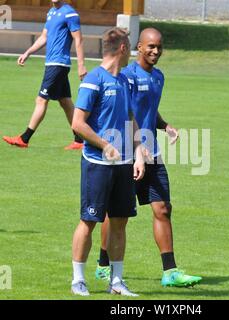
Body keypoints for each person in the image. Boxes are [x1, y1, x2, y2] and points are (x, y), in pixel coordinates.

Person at [95, 28, 202, 287]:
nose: (155, 51)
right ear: (139, 47)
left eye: (159, 47)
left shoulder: (159, 77)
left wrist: (165, 126)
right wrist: (135, 149)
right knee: (117, 214)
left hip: (152, 154)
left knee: (163, 209)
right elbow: (124, 112)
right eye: (150, 46)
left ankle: (170, 272)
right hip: (127, 154)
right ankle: (103, 264)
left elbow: (149, 111)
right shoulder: (126, 76)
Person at [71, 27, 145, 297]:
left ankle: (116, 281)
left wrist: (138, 153)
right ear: (123, 49)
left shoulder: (124, 81)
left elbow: (130, 119)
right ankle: (78, 280)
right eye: (131, 48)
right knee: (88, 221)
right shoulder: (93, 80)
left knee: (119, 223)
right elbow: (77, 123)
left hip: (124, 165)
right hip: (97, 165)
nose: (133, 54)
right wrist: (104, 145)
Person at [3, 0, 87, 150]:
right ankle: (80, 140)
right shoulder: (51, 12)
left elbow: (78, 39)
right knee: (65, 102)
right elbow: (44, 37)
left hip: (58, 64)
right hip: (52, 63)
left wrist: (81, 65)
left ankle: (24, 138)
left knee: (41, 100)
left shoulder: (70, 12)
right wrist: (27, 52)